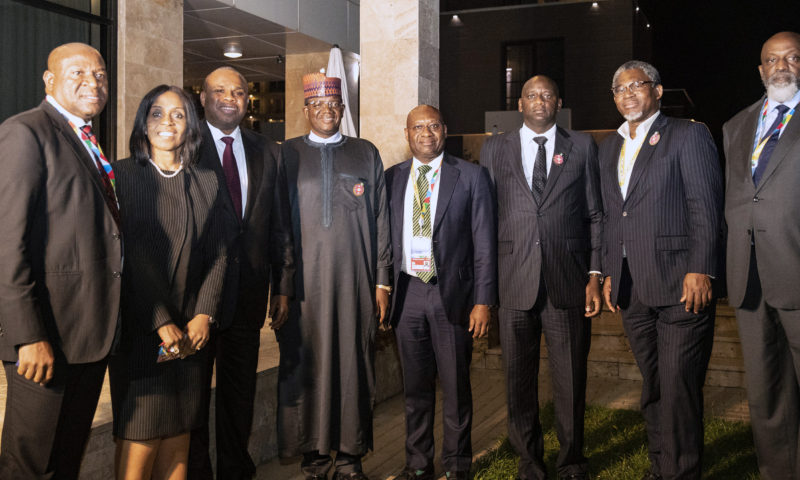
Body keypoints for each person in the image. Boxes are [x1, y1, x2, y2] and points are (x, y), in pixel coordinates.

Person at [0, 42, 122, 479]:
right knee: (31, 466)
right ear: (49, 81)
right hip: (45, 337)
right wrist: (26, 336)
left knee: (66, 458)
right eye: (79, 74)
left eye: (101, 74)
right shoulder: (26, 132)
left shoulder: (85, 139)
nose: (94, 82)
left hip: (88, 335)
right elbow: (7, 243)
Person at [599, 61, 723, 480]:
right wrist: (609, 270)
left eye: (638, 85)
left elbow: (705, 207)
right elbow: (615, 215)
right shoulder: (608, 147)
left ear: (657, 91)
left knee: (677, 389)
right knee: (653, 387)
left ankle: (681, 471)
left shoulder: (688, 134)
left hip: (680, 285)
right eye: (620, 88)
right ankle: (660, 466)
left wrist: (701, 267)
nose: (628, 94)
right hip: (632, 289)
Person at [480, 75, 602, 480]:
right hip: (513, 282)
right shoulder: (494, 148)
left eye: (547, 94)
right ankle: (529, 462)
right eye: (531, 94)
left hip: (567, 281)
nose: (539, 100)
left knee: (570, 379)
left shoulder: (582, 145)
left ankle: (571, 461)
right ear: (520, 103)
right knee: (518, 381)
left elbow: (594, 214)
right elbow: (485, 219)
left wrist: (594, 273)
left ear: (559, 102)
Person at [108, 84, 227, 480]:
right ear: (143, 122)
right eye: (157, 113)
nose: (167, 123)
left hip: (192, 334)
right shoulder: (121, 177)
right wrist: (161, 320)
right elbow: (130, 257)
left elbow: (218, 252)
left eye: (178, 115)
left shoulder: (207, 181)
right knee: (140, 439)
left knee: (180, 435)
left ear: (190, 125)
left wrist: (205, 314)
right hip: (142, 333)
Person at [277, 73, 391, 480]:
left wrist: (382, 280)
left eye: (334, 105)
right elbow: (279, 226)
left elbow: (382, 219)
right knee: (305, 362)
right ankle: (313, 457)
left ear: (343, 109)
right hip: (304, 286)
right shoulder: (286, 155)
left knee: (353, 362)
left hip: (355, 283)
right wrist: (283, 287)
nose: (327, 111)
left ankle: (349, 456)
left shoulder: (365, 153)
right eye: (318, 105)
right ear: (306, 109)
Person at [188, 66, 295, 480]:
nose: (230, 97)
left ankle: (235, 470)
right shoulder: (184, 144)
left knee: (239, 395)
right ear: (202, 97)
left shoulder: (269, 151)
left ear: (248, 99)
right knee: (193, 398)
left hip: (249, 296)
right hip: (196, 300)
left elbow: (279, 225)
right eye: (219, 90)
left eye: (239, 91)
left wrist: (282, 286)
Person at [387, 105, 496, 480]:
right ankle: (417, 465)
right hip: (408, 295)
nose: (426, 133)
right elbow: (383, 243)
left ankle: (457, 465)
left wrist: (483, 301)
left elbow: (484, 243)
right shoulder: (392, 179)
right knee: (415, 388)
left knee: (455, 386)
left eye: (433, 125)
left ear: (445, 130)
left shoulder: (471, 176)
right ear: (407, 134)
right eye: (418, 127)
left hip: (453, 295)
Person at [723, 31, 800, 480]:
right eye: (772, 60)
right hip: (749, 278)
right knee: (766, 395)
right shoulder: (736, 126)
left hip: (796, 270)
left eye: (792, 57)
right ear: (760, 70)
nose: (781, 66)